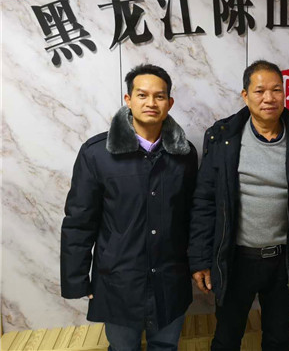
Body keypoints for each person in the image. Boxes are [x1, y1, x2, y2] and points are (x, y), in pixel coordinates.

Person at [188, 60, 289, 351]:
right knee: (226, 337)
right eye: (259, 91)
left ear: (285, 93)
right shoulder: (223, 136)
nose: (269, 98)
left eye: (276, 90)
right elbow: (205, 202)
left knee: (278, 338)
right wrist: (200, 259)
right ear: (245, 96)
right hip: (235, 259)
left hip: (285, 261)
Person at [61, 64, 198, 351]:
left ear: (170, 102)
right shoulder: (97, 153)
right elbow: (79, 220)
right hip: (118, 279)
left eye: (159, 96)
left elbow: (193, 216)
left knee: (166, 347)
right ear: (128, 99)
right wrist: (77, 279)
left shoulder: (184, 154)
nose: (151, 103)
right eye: (142, 95)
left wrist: (199, 264)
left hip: (170, 278)